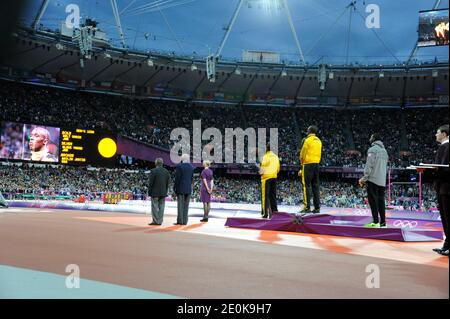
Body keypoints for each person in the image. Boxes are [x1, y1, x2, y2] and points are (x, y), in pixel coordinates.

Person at [358, 133, 388, 228]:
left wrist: (364, 178)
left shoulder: (372, 150)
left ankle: (375, 222)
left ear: (374, 139)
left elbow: (369, 166)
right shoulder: (385, 151)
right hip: (382, 180)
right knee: (381, 201)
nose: (369, 139)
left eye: (371, 137)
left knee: (373, 201)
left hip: (373, 180)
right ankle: (383, 223)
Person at [432, 124, 449, 256]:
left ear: (444, 134)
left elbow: (443, 168)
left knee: (447, 218)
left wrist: (428, 171)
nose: (436, 135)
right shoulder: (443, 147)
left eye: (437, 132)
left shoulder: (446, 147)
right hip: (443, 187)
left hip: (445, 188)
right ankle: (447, 245)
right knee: (445, 218)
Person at [298, 125, 322, 213]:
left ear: (309, 131)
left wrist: (301, 165)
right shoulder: (319, 141)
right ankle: (317, 207)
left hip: (307, 164)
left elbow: (302, 154)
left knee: (306, 186)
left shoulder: (307, 140)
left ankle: (306, 207)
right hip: (316, 164)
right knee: (315, 186)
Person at [258, 144, 280, 219]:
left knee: (265, 196)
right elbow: (278, 169)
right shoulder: (276, 157)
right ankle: (275, 213)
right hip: (274, 177)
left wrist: (260, 172)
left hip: (266, 178)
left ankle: (265, 213)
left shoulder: (265, 156)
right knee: (273, 196)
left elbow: (263, 167)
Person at [148, 158, 170, 226]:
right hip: (163, 192)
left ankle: (155, 221)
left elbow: (150, 183)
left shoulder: (153, 171)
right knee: (162, 206)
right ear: (162, 163)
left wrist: (149, 192)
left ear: (156, 163)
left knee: (154, 206)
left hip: (154, 192)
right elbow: (168, 183)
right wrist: (166, 191)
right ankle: (160, 221)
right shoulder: (166, 171)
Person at [174, 154, 194, 225]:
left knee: (180, 205)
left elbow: (177, 178)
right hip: (188, 189)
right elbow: (191, 179)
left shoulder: (179, 166)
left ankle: (180, 221)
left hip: (181, 188)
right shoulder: (191, 167)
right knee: (186, 206)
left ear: (182, 159)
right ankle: (185, 221)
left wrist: (175, 188)